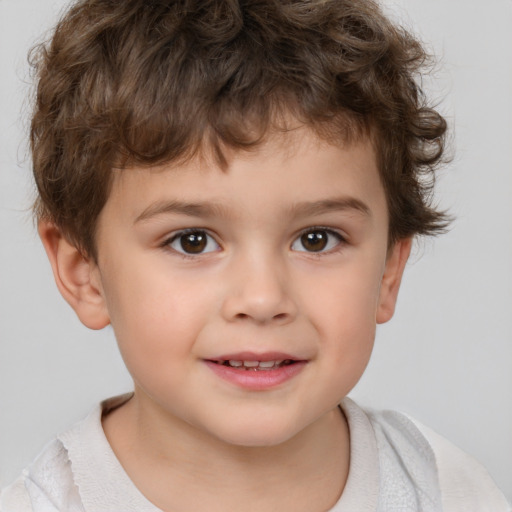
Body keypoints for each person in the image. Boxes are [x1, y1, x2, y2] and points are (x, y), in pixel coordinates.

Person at [1, 0, 510, 510]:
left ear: (388, 272)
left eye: (317, 239)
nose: (263, 298)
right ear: (84, 273)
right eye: (192, 240)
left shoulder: (450, 493)